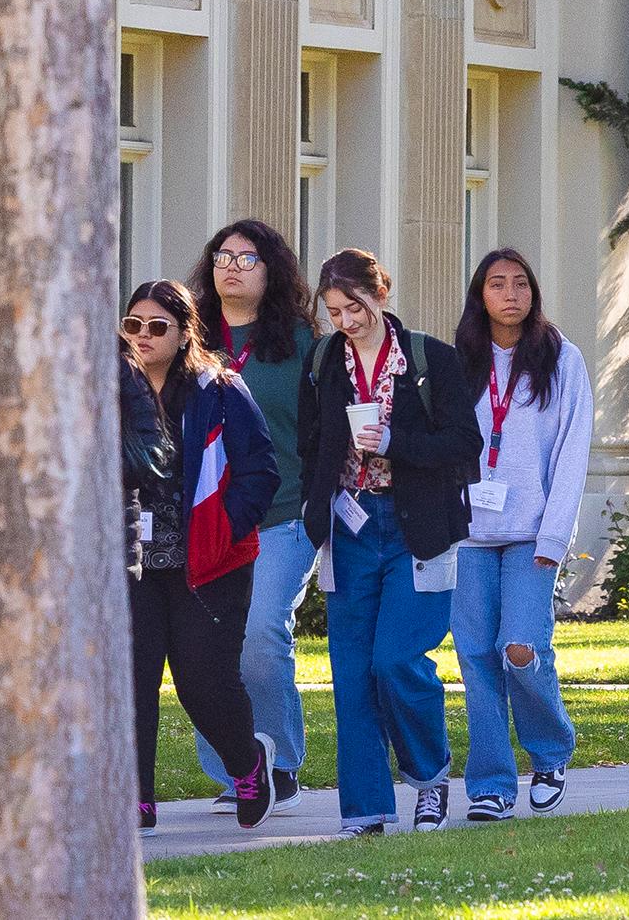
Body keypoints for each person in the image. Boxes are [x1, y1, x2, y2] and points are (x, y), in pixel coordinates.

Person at [299, 248, 481, 836]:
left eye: (354, 307)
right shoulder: (325, 359)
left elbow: (464, 444)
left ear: (381, 294)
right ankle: (367, 809)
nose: (345, 321)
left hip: (417, 528)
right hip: (348, 528)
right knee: (351, 673)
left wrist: (394, 441)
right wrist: (314, 502)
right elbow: (310, 441)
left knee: (396, 660)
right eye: (333, 312)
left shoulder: (432, 359)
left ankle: (430, 781)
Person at [118, 278, 282, 833]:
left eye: (157, 327)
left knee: (202, 680)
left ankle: (247, 764)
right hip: (132, 560)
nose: (143, 336)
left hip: (207, 564)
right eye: (133, 325)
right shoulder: (107, 391)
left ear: (185, 332)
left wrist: (226, 528)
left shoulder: (219, 389)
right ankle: (136, 800)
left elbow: (261, 470)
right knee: (133, 679)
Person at [186, 220, 320, 813]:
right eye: (223, 256)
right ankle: (237, 768)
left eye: (247, 257)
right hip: (206, 522)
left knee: (262, 633)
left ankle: (282, 761)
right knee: (210, 646)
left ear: (273, 272)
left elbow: (323, 431)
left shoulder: (299, 345)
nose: (232, 266)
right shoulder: (188, 339)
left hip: (283, 514)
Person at [452, 249, 592, 818]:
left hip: (531, 535)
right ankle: (489, 783)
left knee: (520, 648)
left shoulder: (562, 359)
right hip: (467, 535)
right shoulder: (456, 361)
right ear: (479, 295)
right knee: (477, 656)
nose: (510, 293)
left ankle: (551, 749)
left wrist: (553, 541)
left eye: (520, 284)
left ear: (533, 293)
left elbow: (572, 454)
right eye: (496, 284)